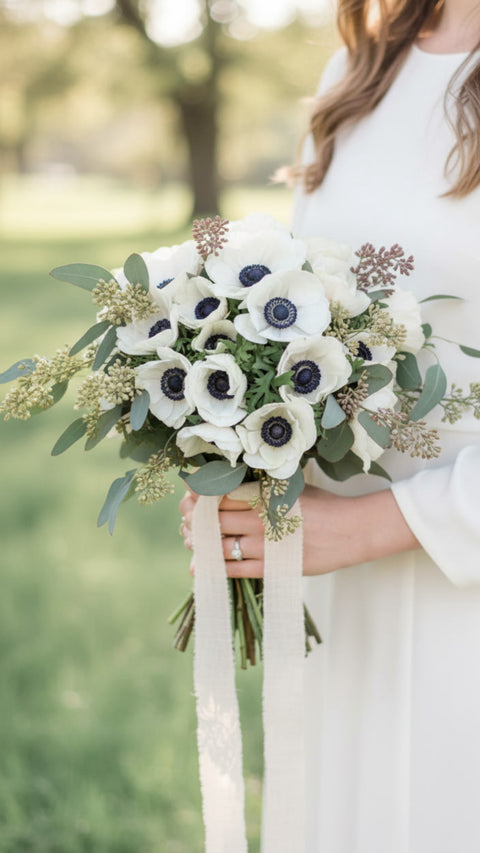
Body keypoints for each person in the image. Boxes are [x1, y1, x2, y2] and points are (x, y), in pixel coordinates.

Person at [180, 0, 480, 849]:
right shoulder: (360, 69)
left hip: (456, 576)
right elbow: (308, 305)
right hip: (334, 584)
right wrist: (238, 461)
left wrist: (375, 526)